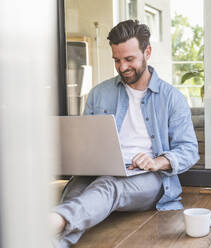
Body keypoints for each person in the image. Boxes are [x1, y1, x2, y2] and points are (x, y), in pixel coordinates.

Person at [51, 19, 199, 247]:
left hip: (147, 177)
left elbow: (189, 150)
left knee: (108, 187)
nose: (122, 67)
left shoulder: (172, 99)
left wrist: (157, 162)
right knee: (74, 194)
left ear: (147, 52)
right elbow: (85, 140)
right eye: (117, 60)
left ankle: (53, 222)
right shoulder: (99, 93)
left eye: (129, 59)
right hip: (100, 170)